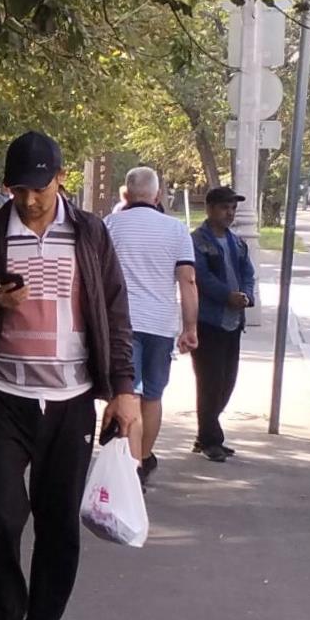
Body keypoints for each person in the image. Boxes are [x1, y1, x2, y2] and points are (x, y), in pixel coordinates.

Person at [0, 131, 135, 620]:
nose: (29, 200)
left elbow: (114, 312)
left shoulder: (89, 232)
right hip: (5, 399)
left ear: (61, 178)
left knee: (59, 524)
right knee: (1, 518)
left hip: (71, 402)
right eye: (18, 189)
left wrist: (124, 389)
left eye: (39, 188)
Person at [100, 166, 197, 480]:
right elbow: (188, 280)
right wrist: (190, 328)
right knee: (153, 397)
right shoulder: (177, 229)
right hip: (160, 325)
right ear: (158, 195)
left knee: (129, 395)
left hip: (120, 326)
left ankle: (131, 469)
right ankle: (142, 459)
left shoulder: (109, 225)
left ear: (126, 194)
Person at [188, 185, 259, 460]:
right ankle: (210, 440)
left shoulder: (236, 242)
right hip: (209, 322)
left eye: (233, 208)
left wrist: (246, 296)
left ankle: (206, 433)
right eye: (224, 208)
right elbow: (201, 277)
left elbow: (248, 273)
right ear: (209, 209)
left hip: (233, 322)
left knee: (227, 381)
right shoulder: (198, 241)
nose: (229, 213)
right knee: (210, 382)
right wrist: (226, 296)